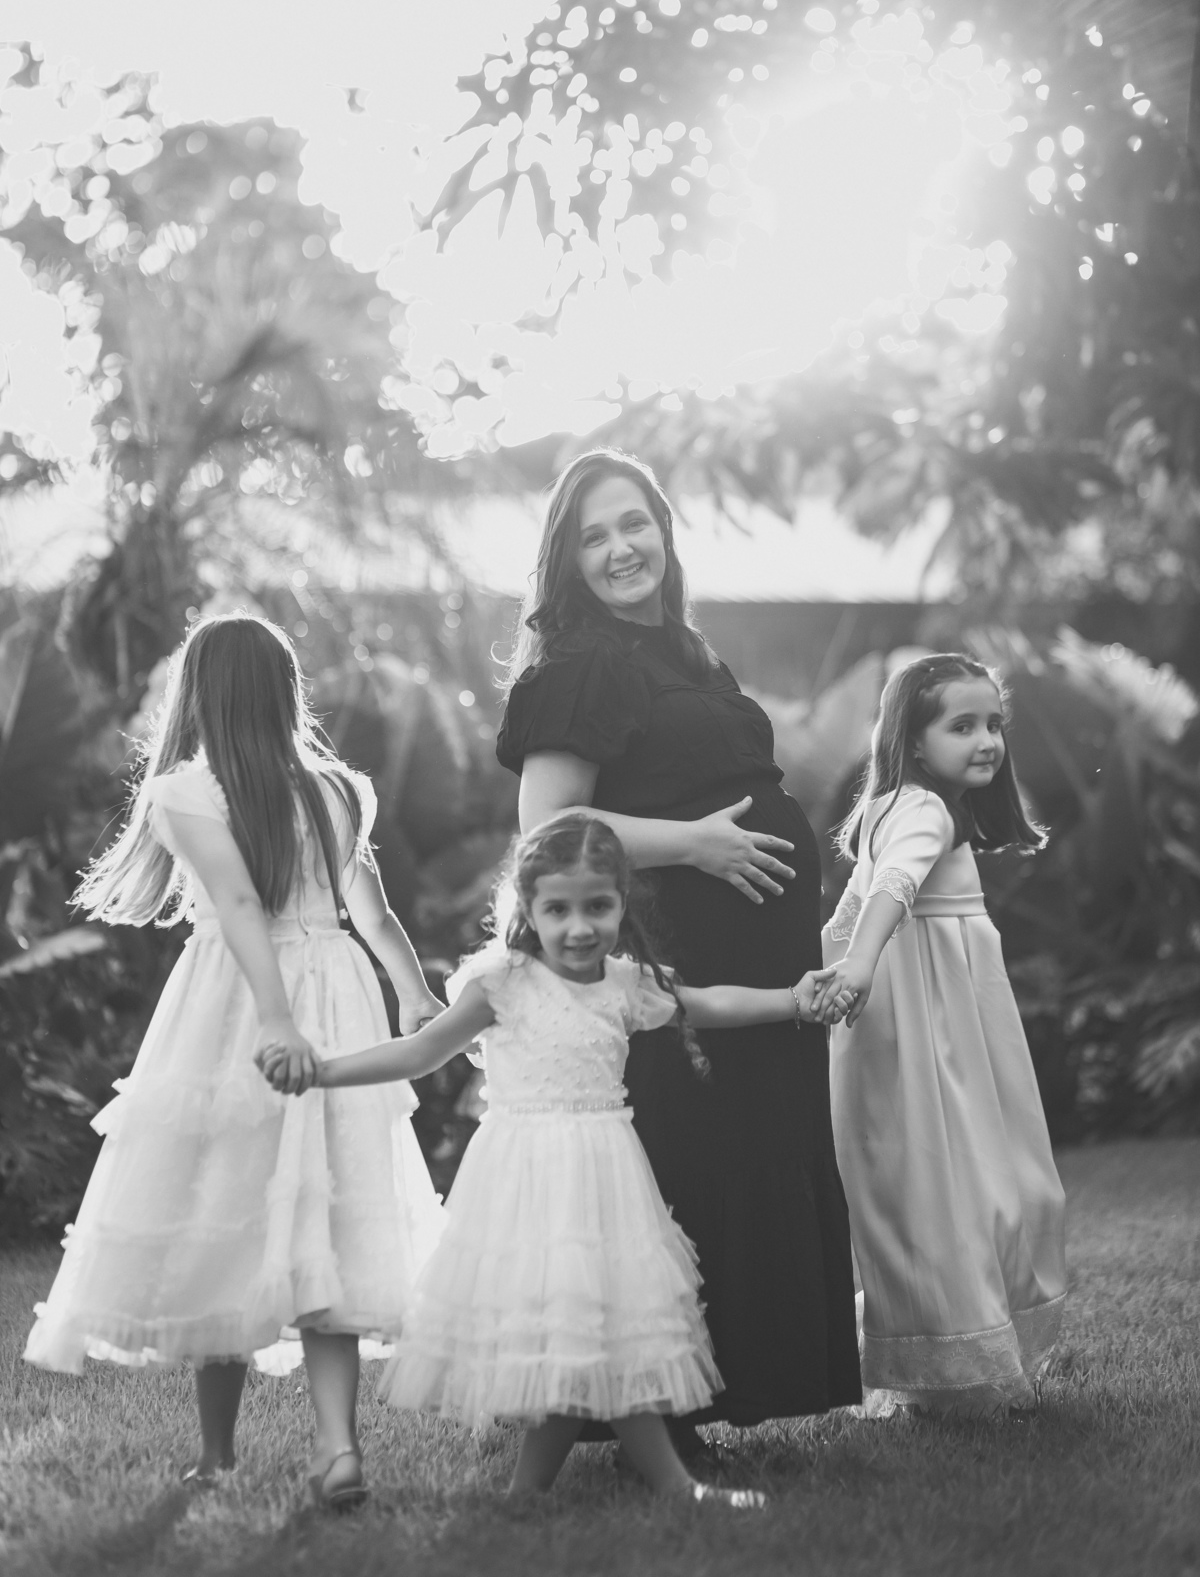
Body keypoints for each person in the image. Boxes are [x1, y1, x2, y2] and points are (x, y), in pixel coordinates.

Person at [261, 812, 845, 1501]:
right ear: (528, 909)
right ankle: (610, 1490)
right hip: (526, 1184)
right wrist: (324, 1071)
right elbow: (420, 1051)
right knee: (576, 1336)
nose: (579, 927)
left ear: (623, 904)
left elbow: (706, 1004)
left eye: (598, 907)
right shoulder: (501, 984)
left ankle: (568, 1493)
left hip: (607, 1179)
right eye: (558, 910)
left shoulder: (625, 984)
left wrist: (791, 1000)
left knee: (609, 1334)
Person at [24, 615, 445, 1509]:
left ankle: (219, 1456)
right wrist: (409, 992)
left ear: (198, 694)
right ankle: (336, 1447)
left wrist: (278, 1019)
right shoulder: (334, 787)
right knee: (321, 1215)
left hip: (240, 1003)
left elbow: (243, 904)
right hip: (332, 992)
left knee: (227, 1205)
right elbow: (369, 914)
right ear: (286, 691)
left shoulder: (186, 791)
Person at [493, 448, 862, 1449]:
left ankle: (731, 1387)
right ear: (567, 560)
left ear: (664, 528)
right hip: (678, 950)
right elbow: (546, 826)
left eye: (635, 524)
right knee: (690, 1162)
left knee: (754, 1149)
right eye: (594, 536)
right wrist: (696, 844)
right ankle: (656, 1413)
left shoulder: (688, 654)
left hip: (757, 960)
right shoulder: (581, 664)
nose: (621, 549)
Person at [815, 651, 1068, 1416]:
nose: (987, 740)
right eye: (963, 726)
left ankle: (944, 1347)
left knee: (932, 1183)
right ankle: (964, 1358)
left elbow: (849, 909)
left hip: (917, 1021)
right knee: (977, 1180)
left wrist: (834, 968)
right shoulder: (924, 810)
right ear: (914, 740)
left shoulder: (893, 804)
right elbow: (890, 888)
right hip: (934, 1031)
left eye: (994, 723)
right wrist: (859, 964)